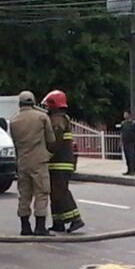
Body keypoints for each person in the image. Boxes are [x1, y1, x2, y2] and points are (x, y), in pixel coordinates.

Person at [8, 89, 55, 236]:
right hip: (39, 161)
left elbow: (15, 143)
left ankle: (25, 226)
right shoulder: (42, 117)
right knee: (41, 193)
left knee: (24, 194)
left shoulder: (14, 121)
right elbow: (51, 139)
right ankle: (40, 227)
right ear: (33, 102)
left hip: (22, 161)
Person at [43, 89, 84, 233]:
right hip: (58, 162)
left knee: (61, 192)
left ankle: (76, 219)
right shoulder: (60, 118)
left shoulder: (58, 119)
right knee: (55, 192)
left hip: (60, 162)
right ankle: (58, 222)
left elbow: (55, 141)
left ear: (54, 104)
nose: (46, 108)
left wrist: (47, 153)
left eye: (48, 105)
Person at [118, 109, 135, 176]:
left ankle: (133, 170)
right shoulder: (123, 123)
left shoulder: (133, 123)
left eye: (126, 114)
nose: (124, 115)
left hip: (132, 142)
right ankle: (128, 170)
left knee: (132, 157)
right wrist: (121, 141)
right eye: (124, 114)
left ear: (129, 115)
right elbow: (121, 133)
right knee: (127, 157)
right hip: (125, 142)